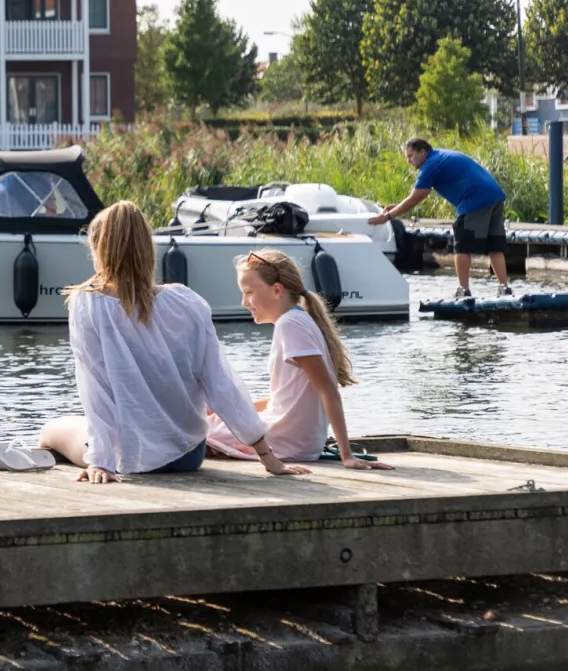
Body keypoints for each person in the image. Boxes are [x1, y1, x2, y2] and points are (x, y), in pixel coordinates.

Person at [36, 201, 308, 483]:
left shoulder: (87, 304)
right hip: (188, 454)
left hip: (130, 458)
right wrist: (267, 457)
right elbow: (220, 384)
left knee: (51, 429)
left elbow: (97, 392)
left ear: (99, 250)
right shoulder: (186, 302)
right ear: (147, 248)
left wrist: (101, 463)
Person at [206, 250, 394, 470]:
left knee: (194, 426)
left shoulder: (290, 325)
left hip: (287, 441)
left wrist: (347, 455)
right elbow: (288, 397)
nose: (244, 303)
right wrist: (230, 410)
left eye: (248, 293)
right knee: (211, 416)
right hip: (295, 439)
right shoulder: (297, 321)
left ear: (277, 290)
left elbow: (328, 391)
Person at [368, 137, 510, 298]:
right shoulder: (440, 157)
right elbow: (415, 197)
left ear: (423, 152)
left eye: (410, 156)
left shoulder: (430, 165)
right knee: (495, 246)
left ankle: (463, 291)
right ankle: (504, 288)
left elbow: (416, 198)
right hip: (495, 196)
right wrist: (398, 207)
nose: (409, 161)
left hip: (474, 200)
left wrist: (387, 217)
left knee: (461, 247)